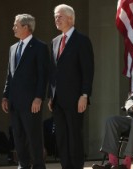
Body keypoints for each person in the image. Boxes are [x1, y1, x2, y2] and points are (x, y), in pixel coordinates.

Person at [47, 4, 94, 169]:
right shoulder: (55, 41)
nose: (56, 19)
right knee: (61, 137)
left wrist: (85, 94)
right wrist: (50, 96)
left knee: (74, 136)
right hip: (58, 100)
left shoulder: (82, 40)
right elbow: (52, 71)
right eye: (55, 16)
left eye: (59, 16)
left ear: (70, 18)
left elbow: (88, 71)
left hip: (75, 99)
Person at [1, 13, 49, 169]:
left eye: (16, 25)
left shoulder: (40, 47)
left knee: (33, 136)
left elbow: (43, 75)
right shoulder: (12, 48)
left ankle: (38, 166)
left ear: (26, 27)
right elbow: (10, 75)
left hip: (31, 102)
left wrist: (38, 97)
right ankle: (23, 165)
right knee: (18, 137)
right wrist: (5, 96)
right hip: (14, 102)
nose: (13, 28)